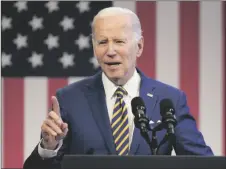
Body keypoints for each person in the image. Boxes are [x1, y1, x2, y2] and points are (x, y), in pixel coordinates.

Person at [23, 7, 213, 169]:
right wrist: (48, 147)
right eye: (102, 42)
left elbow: (203, 163)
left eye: (119, 42)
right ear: (94, 47)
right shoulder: (69, 99)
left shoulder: (169, 99)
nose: (110, 51)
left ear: (139, 46)